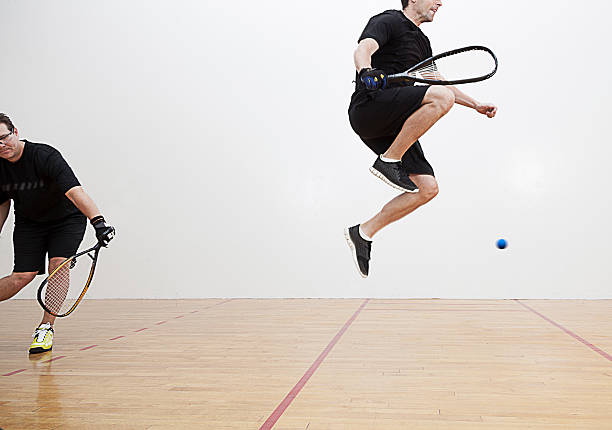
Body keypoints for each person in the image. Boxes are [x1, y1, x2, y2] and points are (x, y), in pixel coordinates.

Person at [345, 0, 498, 278]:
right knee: (441, 98)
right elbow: (364, 48)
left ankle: (364, 232)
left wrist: (475, 104)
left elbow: (435, 79)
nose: (441, 2)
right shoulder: (389, 20)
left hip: (392, 123)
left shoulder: (422, 43)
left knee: (428, 188)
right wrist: (365, 71)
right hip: (369, 108)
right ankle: (389, 160)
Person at [0, 113, 115, 353]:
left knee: (58, 266)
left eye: (3, 137)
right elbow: (2, 203)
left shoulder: (44, 156)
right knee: (22, 276)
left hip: (67, 220)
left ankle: (45, 328)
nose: (1, 145)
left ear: (15, 132)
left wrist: (99, 222)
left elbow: (75, 191)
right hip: (29, 222)